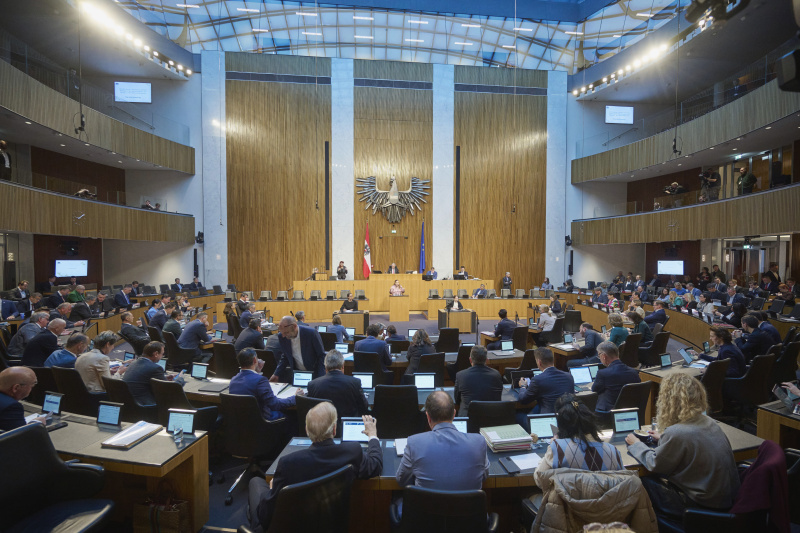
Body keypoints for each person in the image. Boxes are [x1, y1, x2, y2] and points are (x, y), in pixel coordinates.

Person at [248, 402, 381, 532]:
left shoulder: (288, 463)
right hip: (333, 524)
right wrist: (372, 435)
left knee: (255, 482)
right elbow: (375, 465)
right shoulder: (352, 451)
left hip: (295, 526)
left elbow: (265, 516)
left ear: (307, 430)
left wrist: (273, 490)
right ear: (334, 429)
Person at [626, 373, 740, 521]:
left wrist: (636, 445)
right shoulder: (709, 421)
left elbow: (654, 464)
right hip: (723, 500)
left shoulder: (677, 432)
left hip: (700, 504)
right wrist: (663, 438)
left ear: (668, 401)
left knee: (638, 480)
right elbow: (692, 442)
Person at [396, 391, 488, 492]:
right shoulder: (478, 442)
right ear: (454, 414)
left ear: (428, 417)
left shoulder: (414, 443)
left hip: (428, 507)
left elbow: (401, 480)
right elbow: (483, 475)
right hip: (467, 507)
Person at [533, 393, 624, 488]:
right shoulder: (613, 451)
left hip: (567, 503)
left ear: (561, 424)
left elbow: (540, 480)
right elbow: (623, 483)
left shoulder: (557, 448)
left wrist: (550, 448)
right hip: (605, 502)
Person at [231, 348, 299, 420]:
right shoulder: (261, 380)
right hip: (264, 423)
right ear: (254, 360)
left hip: (243, 422)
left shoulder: (233, 380)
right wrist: (295, 397)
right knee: (294, 416)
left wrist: (258, 371)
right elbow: (275, 404)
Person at [517, 348, 574, 426]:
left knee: (517, 415)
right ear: (552, 360)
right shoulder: (569, 376)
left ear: (539, 362)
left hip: (548, 423)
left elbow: (523, 400)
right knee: (538, 406)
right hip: (568, 420)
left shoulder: (538, 379)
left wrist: (523, 386)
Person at [307, 350, 369, 417]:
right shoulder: (355, 383)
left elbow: (310, 411)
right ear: (342, 366)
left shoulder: (312, 385)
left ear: (325, 368)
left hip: (325, 425)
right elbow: (364, 407)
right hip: (347, 426)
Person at [270, 316, 326, 382]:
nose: (284, 336)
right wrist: (276, 374)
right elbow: (285, 356)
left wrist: (321, 378)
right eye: (282, 333)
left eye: (286, 332)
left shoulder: (311, 333)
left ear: (294, 326)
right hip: (297, 374)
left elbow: (321, 356)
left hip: (314, 373)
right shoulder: (282, 336)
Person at [453, 346, 503, 417]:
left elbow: (457, 400)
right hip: (491, 418)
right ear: (487, 360)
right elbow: (498, 397)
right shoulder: (496, 375)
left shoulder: (460, 375)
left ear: (470, 360)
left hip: (468, 420)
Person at [592, 341, 641, 412]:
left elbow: (594, 390)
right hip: (631, 410)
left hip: (608, 413)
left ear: (604, 356)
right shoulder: (634, 372)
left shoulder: (603, 373)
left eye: (599, 355)